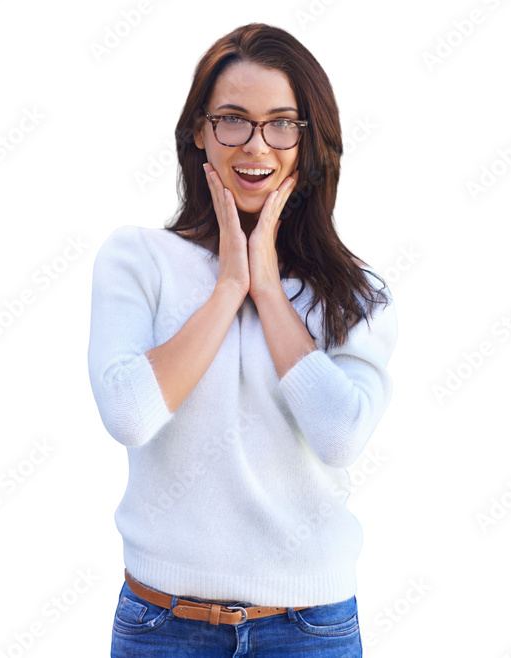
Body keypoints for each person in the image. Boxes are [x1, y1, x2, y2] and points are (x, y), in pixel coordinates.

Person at [88, 22, 397, 656]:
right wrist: (228, 286)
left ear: (308, 143)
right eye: (232, 119)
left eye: (282, 123)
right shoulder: (137, 259)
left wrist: (269, 292)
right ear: (198, 131)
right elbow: (129, 414)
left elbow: (340, 437)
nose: (256, 144)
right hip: (163, 626)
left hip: (309, 629)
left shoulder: (358, 292)